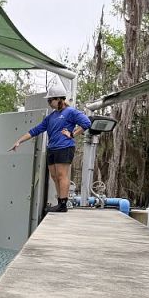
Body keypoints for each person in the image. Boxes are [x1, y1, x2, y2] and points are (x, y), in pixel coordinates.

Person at [9, 83, 91, 213]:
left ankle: (63, 204)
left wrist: (72, 134)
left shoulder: (70, 112)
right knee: (54, 176)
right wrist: (19, 141)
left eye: (50, 100)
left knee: (61, 175)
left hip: (64, 147)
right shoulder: (51, 117)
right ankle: (60, 202)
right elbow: (36, 130)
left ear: (59, 99)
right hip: (52, 148)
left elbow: (86, 122)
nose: (49, 103)